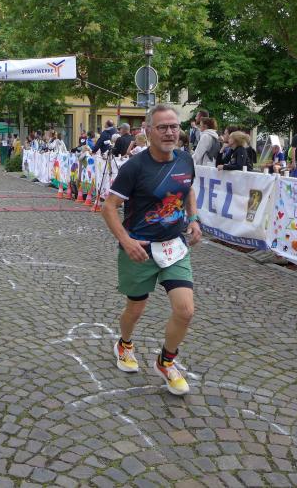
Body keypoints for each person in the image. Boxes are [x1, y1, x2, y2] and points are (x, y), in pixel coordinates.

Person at [102, 103, 202, 396]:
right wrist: (126, 241)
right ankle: (124, 344)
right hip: (140, 249)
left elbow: (188, 189)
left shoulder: (185, 160)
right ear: (148, 131)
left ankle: (166, 362)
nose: (169, 133)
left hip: (174, 246)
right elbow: (109, 207)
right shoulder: (135, 167)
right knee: (135, 308)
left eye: (174, 127)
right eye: (162, 127)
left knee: (185, 310)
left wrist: (193, 219)